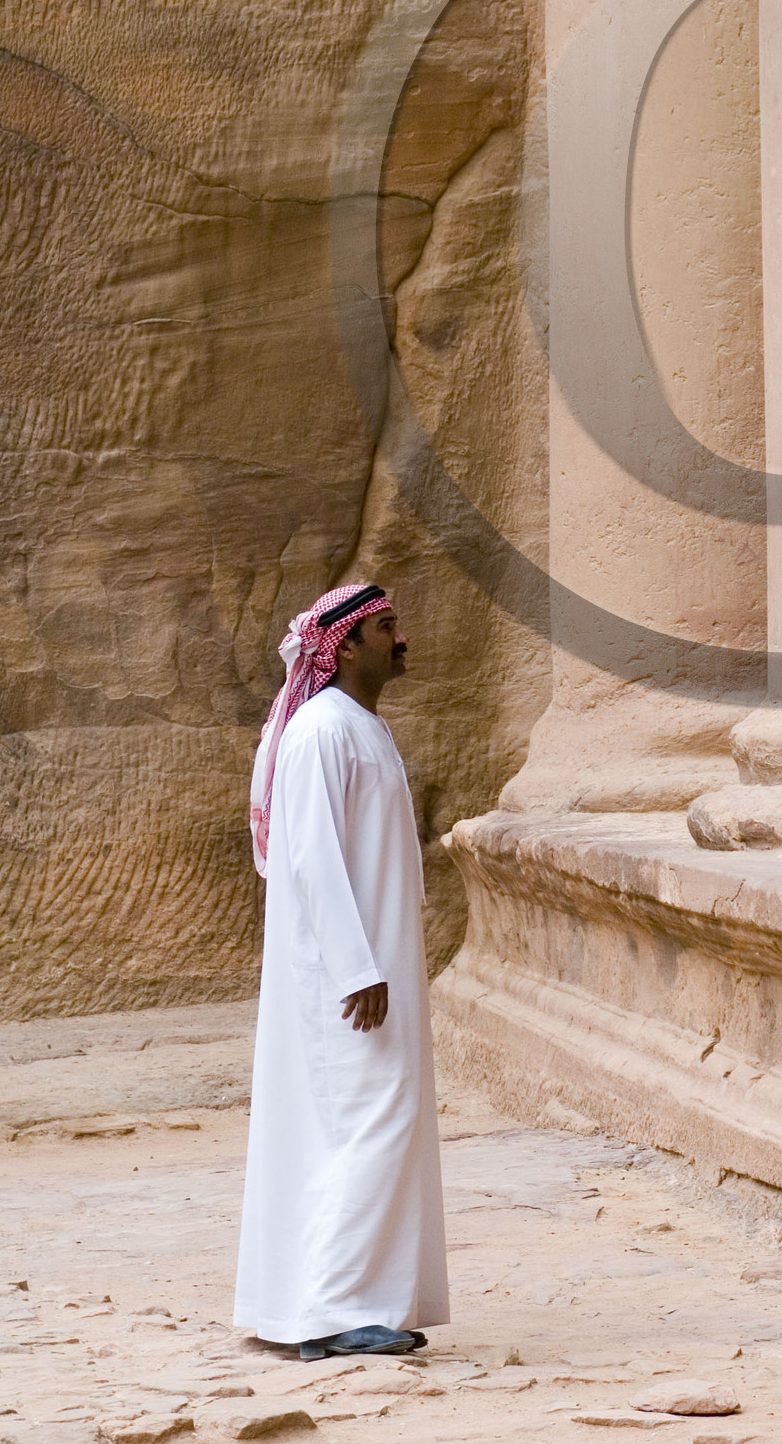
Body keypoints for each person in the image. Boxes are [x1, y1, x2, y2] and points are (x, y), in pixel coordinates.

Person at [235, 581, 448, 1359]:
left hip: (375, 964)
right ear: (346, 645)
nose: (401, 638)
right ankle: (331, 1309)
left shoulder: (361, 726)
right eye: (386, 626)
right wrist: (358, 967)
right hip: (347, 980)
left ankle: (351, 1301)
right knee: (369, 1120)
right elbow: (312, 858)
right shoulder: (323, 730)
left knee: (373, 1121)